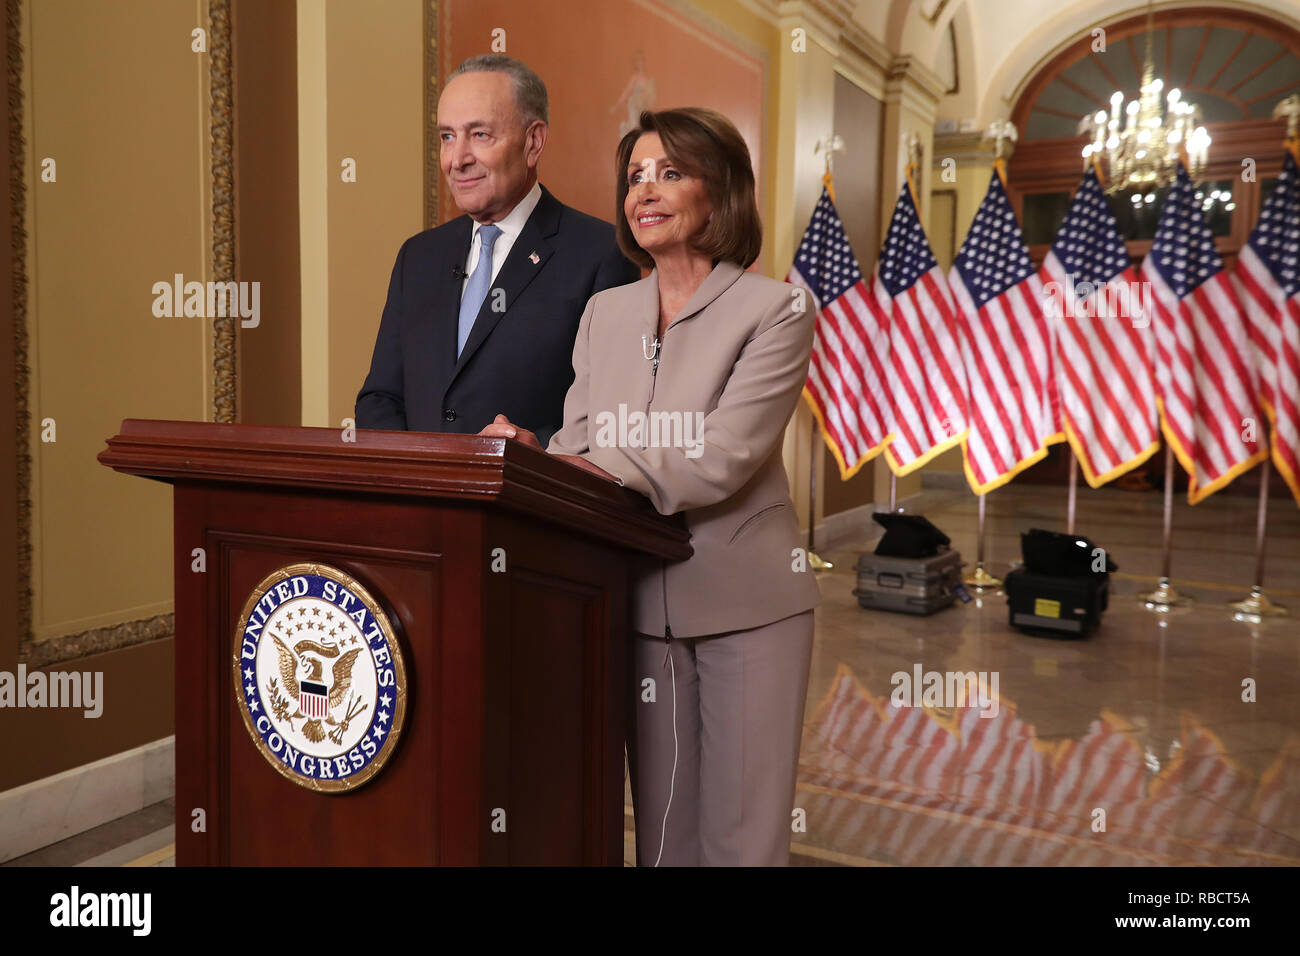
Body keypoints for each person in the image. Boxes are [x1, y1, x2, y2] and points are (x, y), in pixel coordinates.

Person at [481, 107, 821, 865]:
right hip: (632, 604)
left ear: (721, 192)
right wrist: (530, 455)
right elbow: (579, 442)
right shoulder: (606, 311)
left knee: (740, 838)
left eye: (671, 173)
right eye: (635, 176)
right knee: (664, 839)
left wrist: (585, 465)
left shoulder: (775, 309)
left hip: (747, 606)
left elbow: (721, 456)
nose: (646, 190)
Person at [355, 55, 639, 445]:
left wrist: (534, 450)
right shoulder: (417, 257)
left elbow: (612, 412)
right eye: (447, 137)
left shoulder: (601, 253)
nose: (457, 160)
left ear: (533, 142)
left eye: (480, 135)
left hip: (529, 497)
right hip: (421, 499)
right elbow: (380, 397)